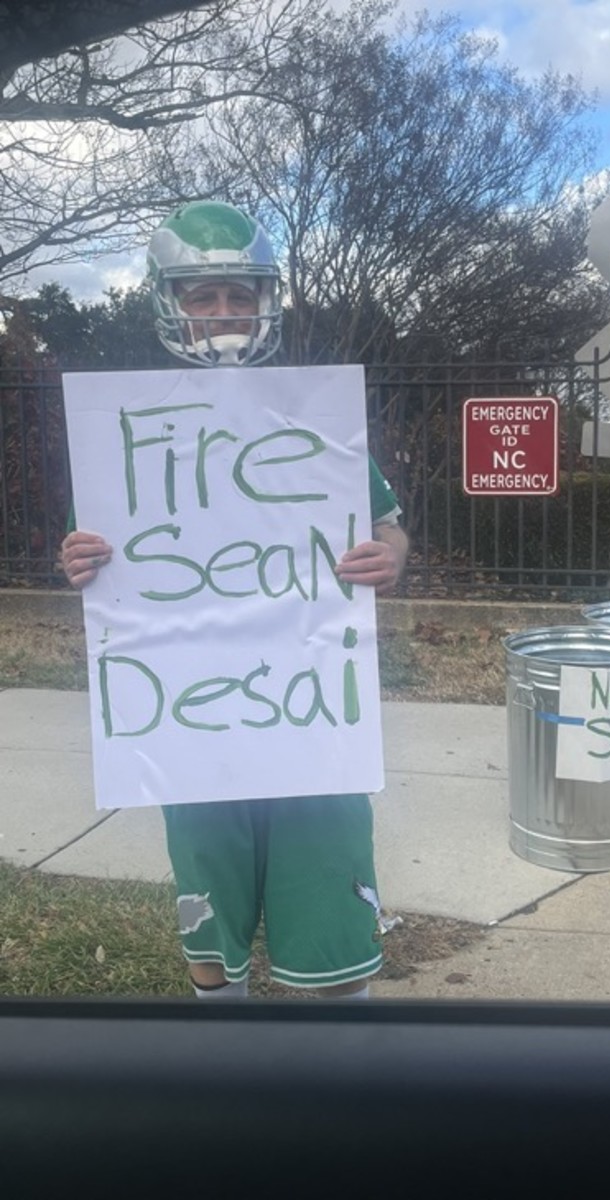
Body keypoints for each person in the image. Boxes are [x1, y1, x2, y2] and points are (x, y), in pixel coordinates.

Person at [60, 201, 408, 1000]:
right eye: (203, 295)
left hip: (313, 720)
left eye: (240, 295)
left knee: (329, 934)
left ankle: (333, 1091)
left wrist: (386, 558)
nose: (224, 313)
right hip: (193, 725)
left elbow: (389, 529)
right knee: (209, 928)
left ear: (265, 301)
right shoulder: (126, 424)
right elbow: (97, 553)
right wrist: (73, 559)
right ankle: (226, 1073)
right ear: (170, 303)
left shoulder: (316, 413)